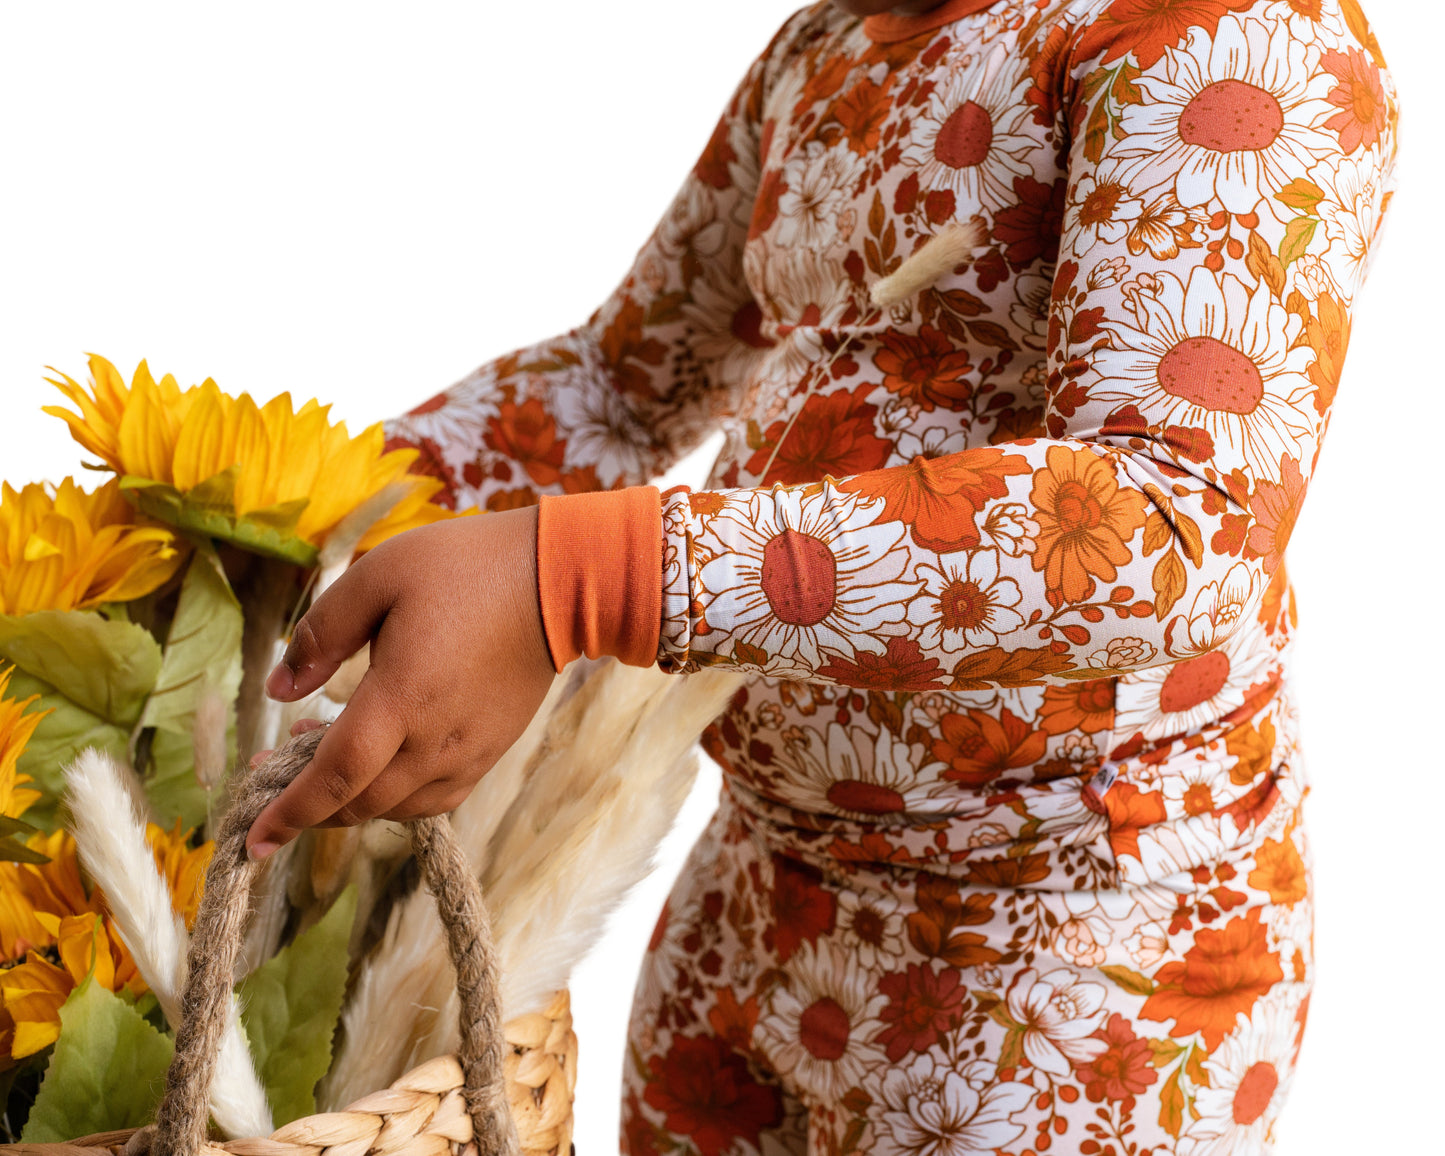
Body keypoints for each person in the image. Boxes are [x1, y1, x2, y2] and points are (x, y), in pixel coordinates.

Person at [246, 0, 1399, 1150]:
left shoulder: (1221, 36)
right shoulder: (834, 38)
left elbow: (1166, 528)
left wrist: (577, 580)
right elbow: (616, 388)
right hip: (754, 886)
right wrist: (281, 513)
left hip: (1069, 957)